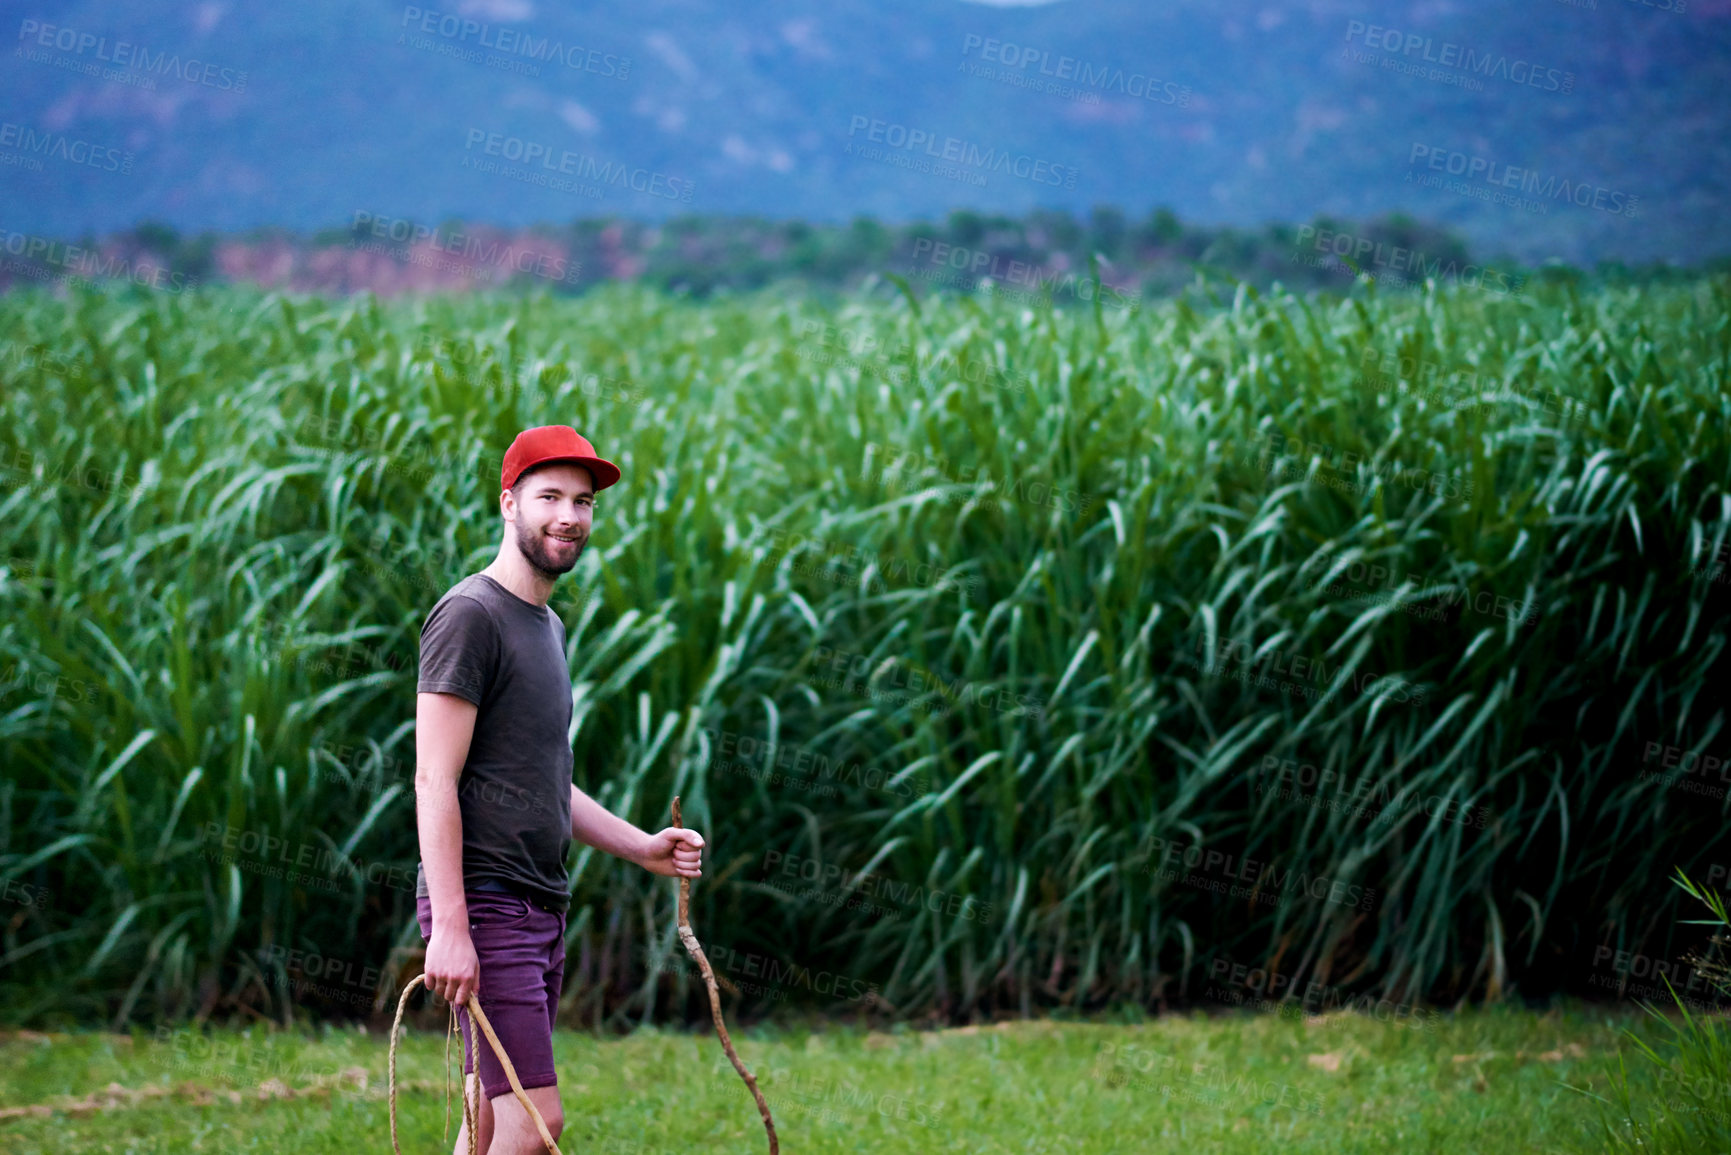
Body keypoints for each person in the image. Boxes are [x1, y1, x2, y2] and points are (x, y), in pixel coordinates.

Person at [414, 425, 704, 1155]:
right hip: (487, 901)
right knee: (536, 1123)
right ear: (508, 503)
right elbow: (433, 776)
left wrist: (642, 846)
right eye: (549, 497)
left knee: (486, 1111)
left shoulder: (547, 627)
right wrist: (452, 924)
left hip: (538, 898)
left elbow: (546, 783)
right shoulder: (470, 615)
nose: (568, 516)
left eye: (582, 501)